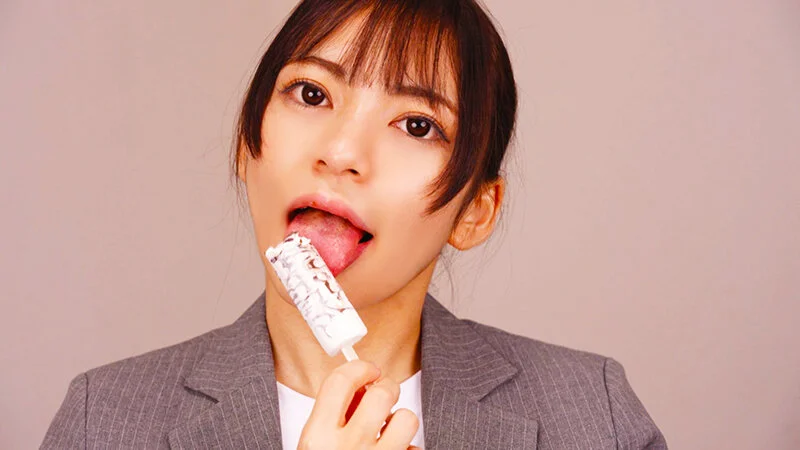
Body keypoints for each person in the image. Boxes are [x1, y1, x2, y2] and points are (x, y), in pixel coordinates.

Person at [42, 0, 667, 448]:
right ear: (246, 144)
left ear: (475, 212)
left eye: (417, 125)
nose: (341, 152)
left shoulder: (595, 415)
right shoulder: (105, 421)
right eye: (312, 94)